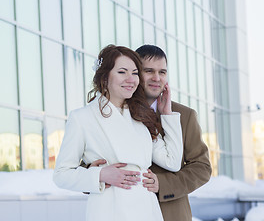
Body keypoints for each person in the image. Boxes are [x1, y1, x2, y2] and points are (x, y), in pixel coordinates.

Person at [53, 44, 183, 221]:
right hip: (110, 209)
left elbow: (173, 161)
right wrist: (100, 175)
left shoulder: (141, 115)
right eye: (122, 72)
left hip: (147, 209)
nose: (131, 79)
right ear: (105, 77)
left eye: (135, 73)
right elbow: (61, 174)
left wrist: (167, 114)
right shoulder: (82, 118)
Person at [136, 44, 212, 221]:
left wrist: (162, 184)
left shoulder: (185, 115)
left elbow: (202, 168)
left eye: (162, 72)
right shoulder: (116, 113)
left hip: (171, 214)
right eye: (149, 71)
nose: (157, 78)